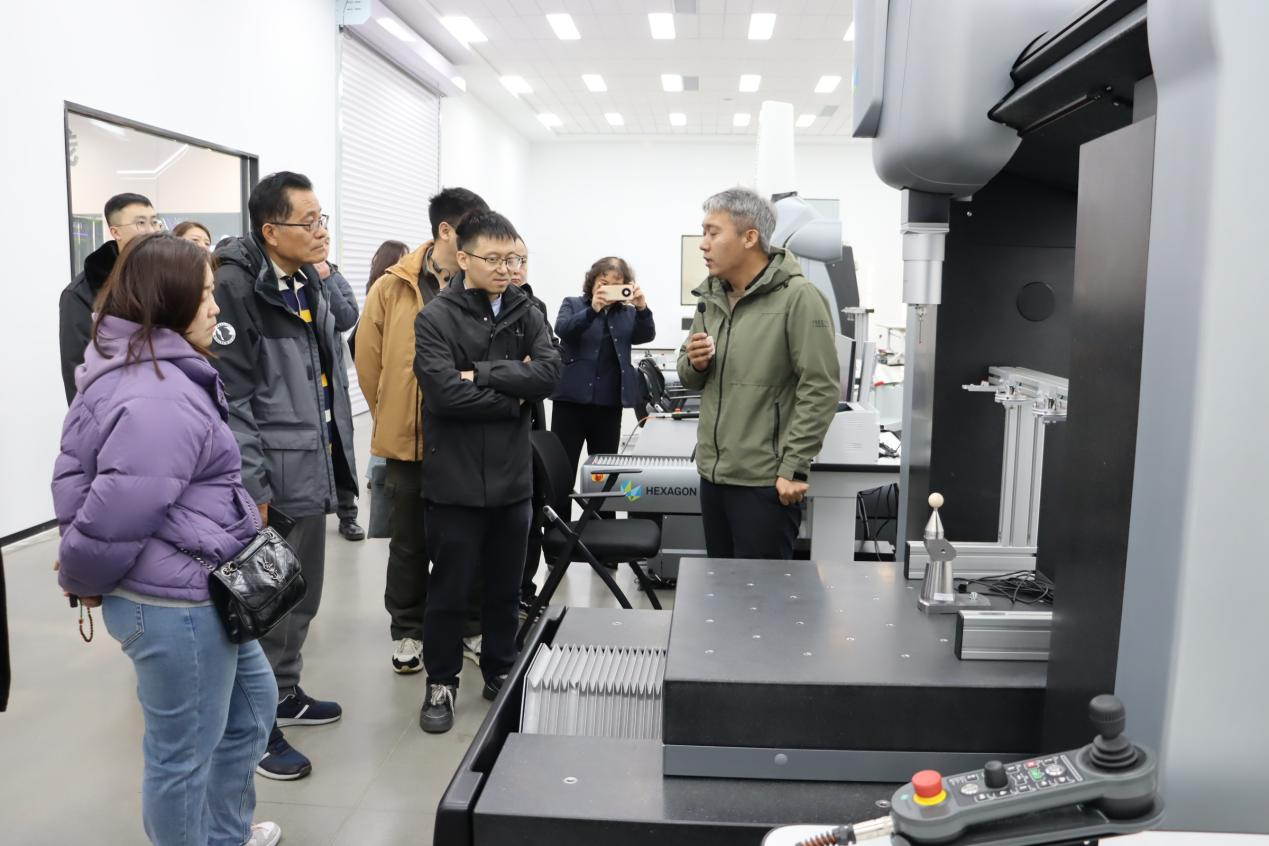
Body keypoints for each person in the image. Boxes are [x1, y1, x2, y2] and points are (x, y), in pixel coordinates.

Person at [51, 232, 281, 846]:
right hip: (174, 602)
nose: (216, 306)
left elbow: (89, 479)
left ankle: (224, 835)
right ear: (168, 301)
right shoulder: (159, 392)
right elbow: (118, 507)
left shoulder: (149, 367)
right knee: (182, 757)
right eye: (204, 294)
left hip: (197, 587)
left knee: (251, 712)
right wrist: (81, 576)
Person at [210, 171, 356, 780]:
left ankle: (286, 693)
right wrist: (254, 488)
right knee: (264, 604)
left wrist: (325, 269)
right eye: (309, 221)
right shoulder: (237, 288)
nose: (321, 231)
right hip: (271, 473)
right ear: (271, 231)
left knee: (301, 594)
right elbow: (233, 399)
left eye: (323, 219)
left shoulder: (304, 280)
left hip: (311, 463)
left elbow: (341, 330)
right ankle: (257, 728)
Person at [413, 210, 560, 733]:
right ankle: (441, 681)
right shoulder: (435, 317)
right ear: (464, 258)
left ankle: (500, 670)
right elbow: (443, 395)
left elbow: (548, 375)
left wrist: (480, 374)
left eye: (512, 259)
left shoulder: (527, 310)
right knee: (449, 591)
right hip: (452, 481)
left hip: (511, 480)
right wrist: (513, 395)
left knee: (505, 588)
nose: (505, 269)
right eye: (494, 259)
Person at [355, 190, 488, 676]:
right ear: (446, 232)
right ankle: (407, 629)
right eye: (473, 228)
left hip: (467, 440)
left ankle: (470, 625)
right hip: (408, 439)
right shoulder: (393, 286)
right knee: (408, 542)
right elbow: (368, 364)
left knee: (467, 540)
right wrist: (392, 414)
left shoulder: (485, 282)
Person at [677, 187, 840, 560]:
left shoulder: (799, 298)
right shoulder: (711, 299)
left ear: (750, 237)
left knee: (761, 593)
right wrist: (695, 362)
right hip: (713, 477)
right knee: (721, 586)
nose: (703, 244)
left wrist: (794, 467)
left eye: (713, 232)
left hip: (765, 482)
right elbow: (689, 377)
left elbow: (820, 388)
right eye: (703, 232)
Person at [551, 256, 655, 483]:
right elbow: (563, 329)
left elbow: (646, 335)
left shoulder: (628, 313)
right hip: (570, 401)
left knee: (604, 472)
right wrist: (593, 310)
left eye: (616, 284)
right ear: (592, 281)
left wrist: (642, 308)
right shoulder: (573, 304)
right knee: (561, 469)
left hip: (609, 403)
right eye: (603, 282)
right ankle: (559, 509)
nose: (608, 289)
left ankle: (600, 508)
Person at [59, 192, 162, 404]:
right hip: (118, 409)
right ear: (116, 232)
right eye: (140, 223)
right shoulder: (81, 293)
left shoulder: (165, 278)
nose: (151, 231)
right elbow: (78, 370)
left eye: (154, 222)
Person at [508, 236, 555, 606]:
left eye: (522, 261)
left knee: (532, 508)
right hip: (489, 427)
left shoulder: (535, 307)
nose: (515, 269)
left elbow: (549, 366)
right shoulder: (465, 311)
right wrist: (519, 372)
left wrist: (531, 372)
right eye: (507, 260)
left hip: (530, 424)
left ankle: (525, 590)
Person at [314, 257, 365, 541]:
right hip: (301, 376)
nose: (321, 242)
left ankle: (348, 513)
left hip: (331, 376)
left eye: (325, 239)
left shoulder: (333, 275)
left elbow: (347, 317)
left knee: (341, 443)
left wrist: (326, 279)